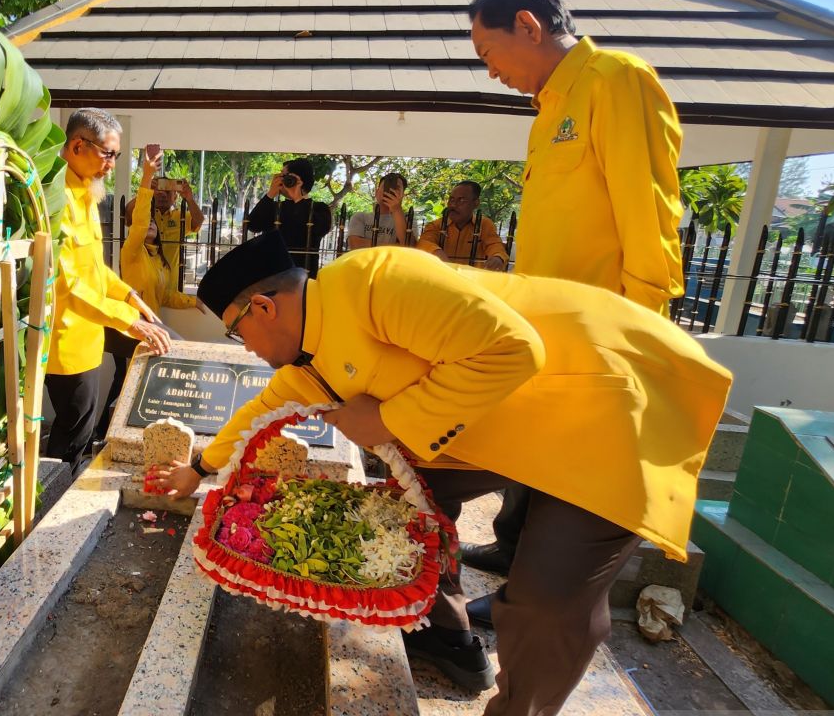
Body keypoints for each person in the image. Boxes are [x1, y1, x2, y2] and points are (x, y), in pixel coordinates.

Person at [158, 234, 730, 714]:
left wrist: (385, 418)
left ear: (264, 307)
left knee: (549, 605)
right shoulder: (310, 360)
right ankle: (451, 638)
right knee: (403, 506)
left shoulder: (374, 281)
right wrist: (198, 468)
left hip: (601, 411)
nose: (244, 346)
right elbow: (261, 412)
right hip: (494, 428)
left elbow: (514, 350)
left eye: (237, 331)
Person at [461, 0, 687, 611]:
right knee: (535, 458)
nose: (490, 71)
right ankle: (509, 550)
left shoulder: (615, 81)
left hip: (603, 335)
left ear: (528, 27)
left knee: (568, 481)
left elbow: (648, 215)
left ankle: (521, 598)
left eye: (488, 53)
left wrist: (640, 334)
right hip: (551, 330)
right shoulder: (550, 108)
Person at [46, 108, 171, 470]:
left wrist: (129, 297)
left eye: (117, 156)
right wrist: (129, 322)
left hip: (92, 327)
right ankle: (46, 509)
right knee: (73, 429)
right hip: (67, 335)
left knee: (162, 343)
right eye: (108, 154)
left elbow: (95, 270)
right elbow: (67, 286)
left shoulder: (85, 193)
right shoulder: (58, 201)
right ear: (77, 146)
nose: (112, 164)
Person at [95, 147, 200, 442]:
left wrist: (195, 301)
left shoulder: (157, 259)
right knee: (129, 385)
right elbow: (139, 219)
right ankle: (109, 435)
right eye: (145, 222)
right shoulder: (133, 251)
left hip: (147, 328)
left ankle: (109, 434)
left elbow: (165, 295)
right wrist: (147, 177)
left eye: (153, 221)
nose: (150, 223)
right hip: (128, 327)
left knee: (128, 384)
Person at [123, 155, 205, 291]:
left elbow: (199, 221)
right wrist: (146, 187)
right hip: (142, 285)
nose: (162, 194)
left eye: (167, 191)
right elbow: (126, 216)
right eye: (159, 190)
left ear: (175, 196)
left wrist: (190, 199)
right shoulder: (143, 214)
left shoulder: (180, 216)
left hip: (169, 286)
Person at [246, 158, 332, 277]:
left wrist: (298, 197)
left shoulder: (319, 209)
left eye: (285, 176)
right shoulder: (275, 207)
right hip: (273, 276)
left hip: (303, 278)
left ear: (300, 180)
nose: (282, 180)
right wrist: (270, 194)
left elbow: (318, 229)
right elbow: (252, 225)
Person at [417, 182, 509, 271]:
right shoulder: (436, 225)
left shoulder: (484, 225)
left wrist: (498, 257)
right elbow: (424, 242)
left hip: (471, 280)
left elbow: (494, 244)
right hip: (442, 279)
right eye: (452, 200)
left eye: (461, 200)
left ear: (476, 203)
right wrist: (437, 252)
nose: (453, 205)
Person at [347, 172, 412, 250]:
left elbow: (410, 248)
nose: (391, 190)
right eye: (386, 187)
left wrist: (396, 210)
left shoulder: (409, 219)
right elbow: (355, 245)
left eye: (396, 188)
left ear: (402, 195)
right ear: (376, 192)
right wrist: (397, 246)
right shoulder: (360, 217)